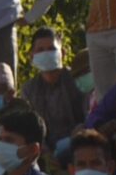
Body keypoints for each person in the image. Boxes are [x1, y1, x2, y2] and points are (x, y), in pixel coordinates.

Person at [21, 27, 88, 161]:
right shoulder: (28, 89)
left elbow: (89, 114)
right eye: (40, 50)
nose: (46, 53)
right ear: (31, 56)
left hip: (81, 146)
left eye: (51, 49)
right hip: (43, 154)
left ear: (62, 53)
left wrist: (79, 133)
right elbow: (29, 127)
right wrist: (44, 151)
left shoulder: (78, 80)